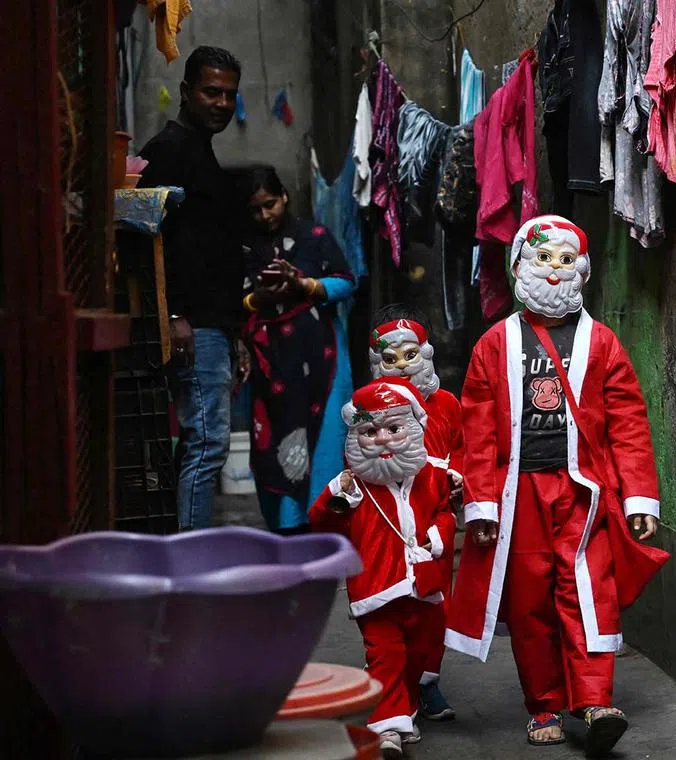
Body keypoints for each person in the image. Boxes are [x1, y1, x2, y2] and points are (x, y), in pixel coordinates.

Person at [446, 215, 670, 755]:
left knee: (589, 592)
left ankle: (594, 700)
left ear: (582, 270)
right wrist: (479, 506)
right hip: (518, 493)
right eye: (543, 258)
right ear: (520, 265)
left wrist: (639, 495)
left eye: (565, 260)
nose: (553, 270)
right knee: (529, 602)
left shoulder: (603, 344)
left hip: (583, 493)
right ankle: (544, 703)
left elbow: (628, 421)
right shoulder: (493, 346)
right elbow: (476, 429)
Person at [309, 378, 456, 759]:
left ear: (413, 428)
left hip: (423, 585)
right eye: (370, 432)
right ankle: (388, 727)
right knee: (386, 653)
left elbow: (443, 512)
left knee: (419, 653)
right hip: (376, 588)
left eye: (393, 429)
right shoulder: (352, 484)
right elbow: (322, 524)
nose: (384, 439)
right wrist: (335, 498)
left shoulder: (430, 475)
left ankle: (403, 707)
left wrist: (438, 535)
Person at [138, 45, 244, 531]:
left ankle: (189, 546)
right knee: (208, 441)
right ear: (186, 92)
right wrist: (174, 312)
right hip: (192, 322)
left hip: (211, 323)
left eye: (229, 95)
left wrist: (234, 332)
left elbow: (208, 250)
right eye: (212, 91)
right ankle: (190, 556)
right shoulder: (169, 150)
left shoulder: (200, 151)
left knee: (207, 441)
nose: (222, 103)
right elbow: (154, 240)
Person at [239, 165, 356, 534]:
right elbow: (231, 302)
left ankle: (325, 519)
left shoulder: (314, 236)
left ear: (284, 196)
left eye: (270, 204)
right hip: (270, 362)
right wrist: (258, 298)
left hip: (320, 358)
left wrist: (303, 284)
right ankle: (287, 527)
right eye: (256, 210)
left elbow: (345, 283)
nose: (264, 215)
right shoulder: (245, 247)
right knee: (273, 442)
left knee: (324, 437)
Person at [369, 304, 463, 721]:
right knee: (392, 607)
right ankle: (394, 686)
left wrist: (457, 474)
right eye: (390, 360)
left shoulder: (447, 404)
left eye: (409, 355)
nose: (402, 367)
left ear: (425, 354)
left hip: (435, 522)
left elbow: (462, 447)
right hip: (389, 522)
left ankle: (427, 680)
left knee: (434, 607)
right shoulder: (368, 407)